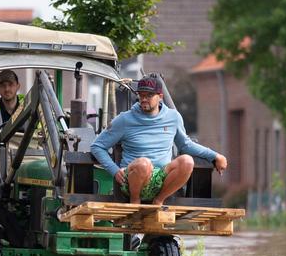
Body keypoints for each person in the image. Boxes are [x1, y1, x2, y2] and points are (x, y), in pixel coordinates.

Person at [90, 75, 227, 205]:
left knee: (187, 161)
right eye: (141, 95)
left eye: (149, 95)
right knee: (144, 164)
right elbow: (97, 146)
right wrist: (114, 170)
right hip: (133, 179)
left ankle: (159, 201)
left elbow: (186, 145)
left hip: (161, 179)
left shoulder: (173, 117)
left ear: (160, 97)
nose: (144, 99)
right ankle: (135, 202)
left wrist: (215, 156)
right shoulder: (124, 119)